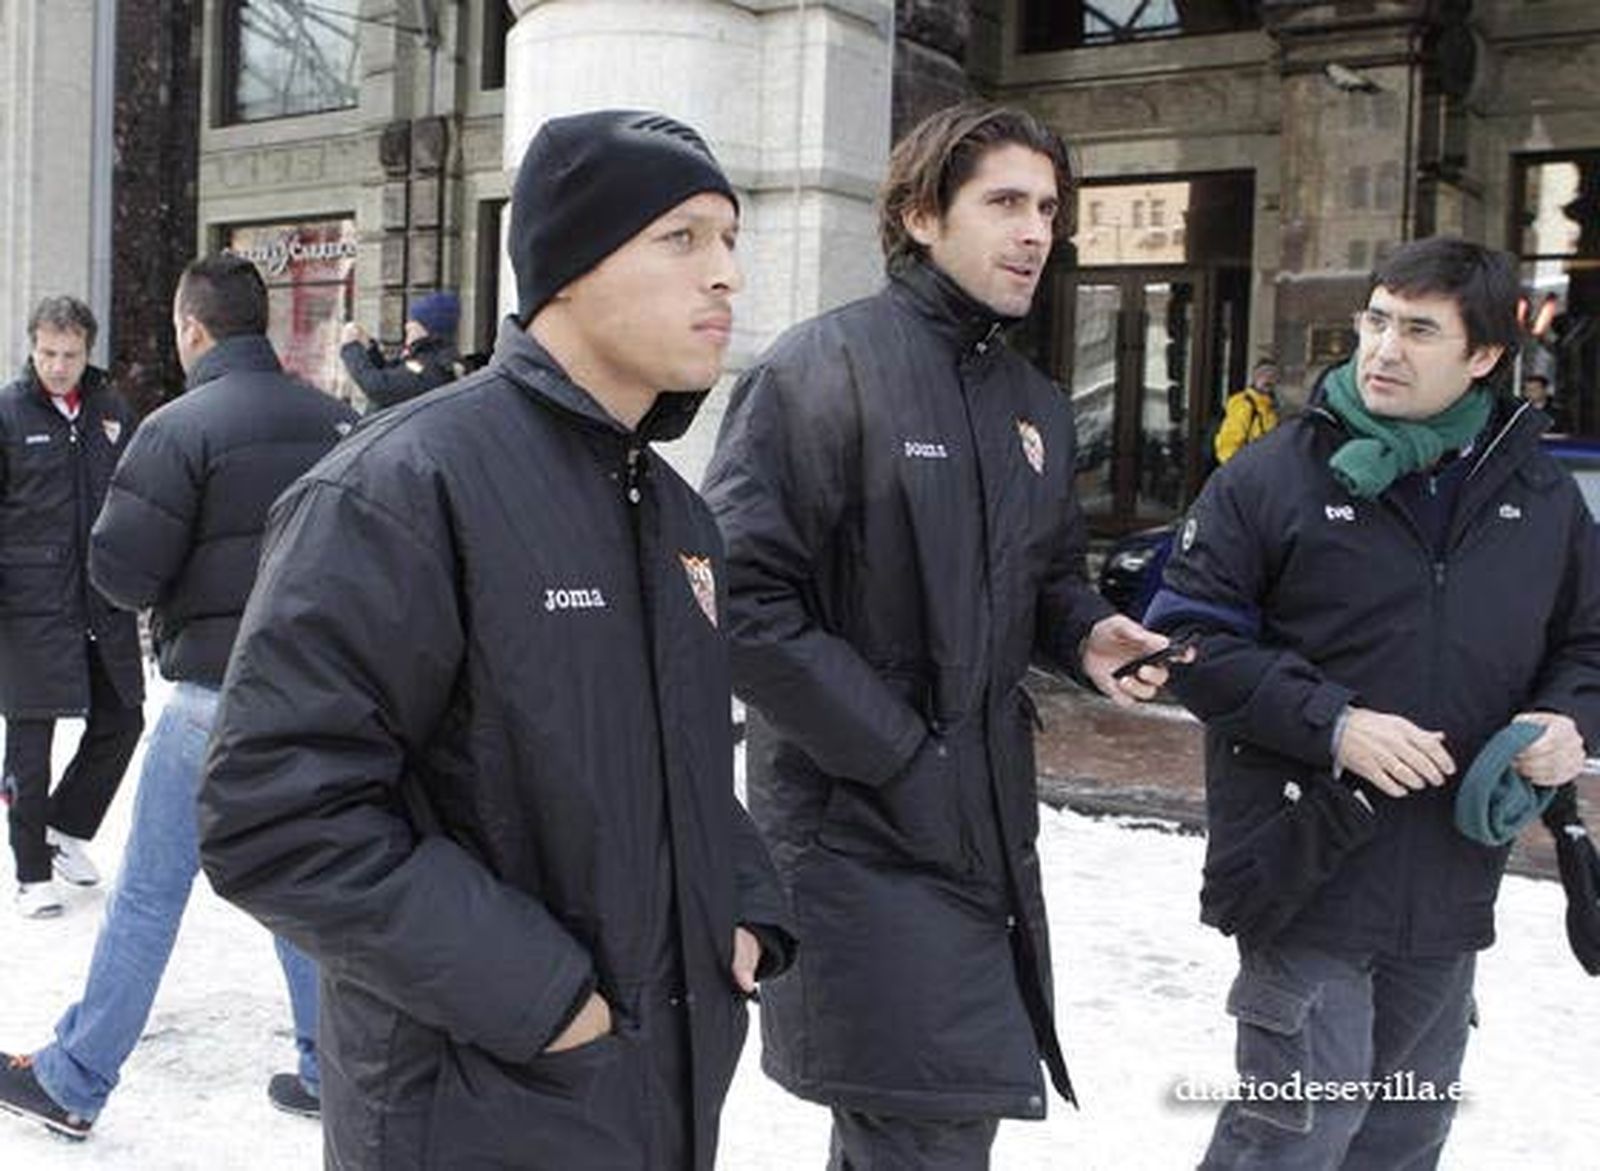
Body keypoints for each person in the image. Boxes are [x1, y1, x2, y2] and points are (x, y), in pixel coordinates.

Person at [196, 109, 794, 1170]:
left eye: (731, 241)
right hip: (477, 1103)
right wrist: (547, 999)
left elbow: (687, 763)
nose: (725, 278)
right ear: (568, 266)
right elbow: (276, 814)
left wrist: (743, 904)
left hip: (658, 1092)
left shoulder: (675, 513)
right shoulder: (401, 487)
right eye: (683, 238)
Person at [702, 102, 1178, 1168]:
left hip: (983, 832)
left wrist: (1086, 632)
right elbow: (737, 599)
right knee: (920, 1126)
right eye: (1004, 202)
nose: (1033, 233)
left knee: (916, 1127)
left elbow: (1048, 575)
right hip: (856, 839)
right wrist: (902, 756)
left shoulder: (1034, 403)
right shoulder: (821, 369)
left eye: (1048, 209)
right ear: (920, 214)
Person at [1148, 236, 1600, 1169]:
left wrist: (1568, 723)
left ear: (1483, 356)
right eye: (1377, 321)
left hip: (1449, 890)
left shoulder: (1540, 495)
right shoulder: (1273, 476)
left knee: (1402, 1143)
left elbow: (1587, 645)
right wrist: (1336, 725)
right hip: (1307, 868)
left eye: (1419, 330)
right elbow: (1188, 644)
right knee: (1295, 1141)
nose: (1385, 349)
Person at [0, 255, 357, 1140]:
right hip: (320, 697)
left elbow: (119, 571)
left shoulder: (175, 428)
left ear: (193, 329)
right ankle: (332, 1067)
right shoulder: (340, 419)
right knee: (295, 882)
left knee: (150, 896)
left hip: (214, 701)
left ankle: (75, 1077)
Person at [0, 295, 143, 918]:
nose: (58, 366)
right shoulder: (8, 413)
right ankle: (30, 871)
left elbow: (138, 496)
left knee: (123, 719)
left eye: (71, 354)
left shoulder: (112, 411)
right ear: (32, 347)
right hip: (28, 605)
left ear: (89, 352)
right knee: (30, 744)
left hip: (101, 600)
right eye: (48, 353)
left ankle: (64, 826)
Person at [338, 289, 462, 411]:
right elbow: (391, 375)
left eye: (412, 326)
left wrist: (351, 348)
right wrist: (369, 349)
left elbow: (379, 388)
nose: (407, 327)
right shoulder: (425, 358)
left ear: (427, 329)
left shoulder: (431, 366)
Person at [1212, 357, 1280, 465]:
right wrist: (1236, 470)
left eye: (1272, 376)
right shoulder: (1244, 404)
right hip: (1245, 469)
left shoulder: (1271, 409)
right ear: (1255, 377)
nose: (1268, 379)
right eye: (1263, 374)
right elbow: (1228, 443)